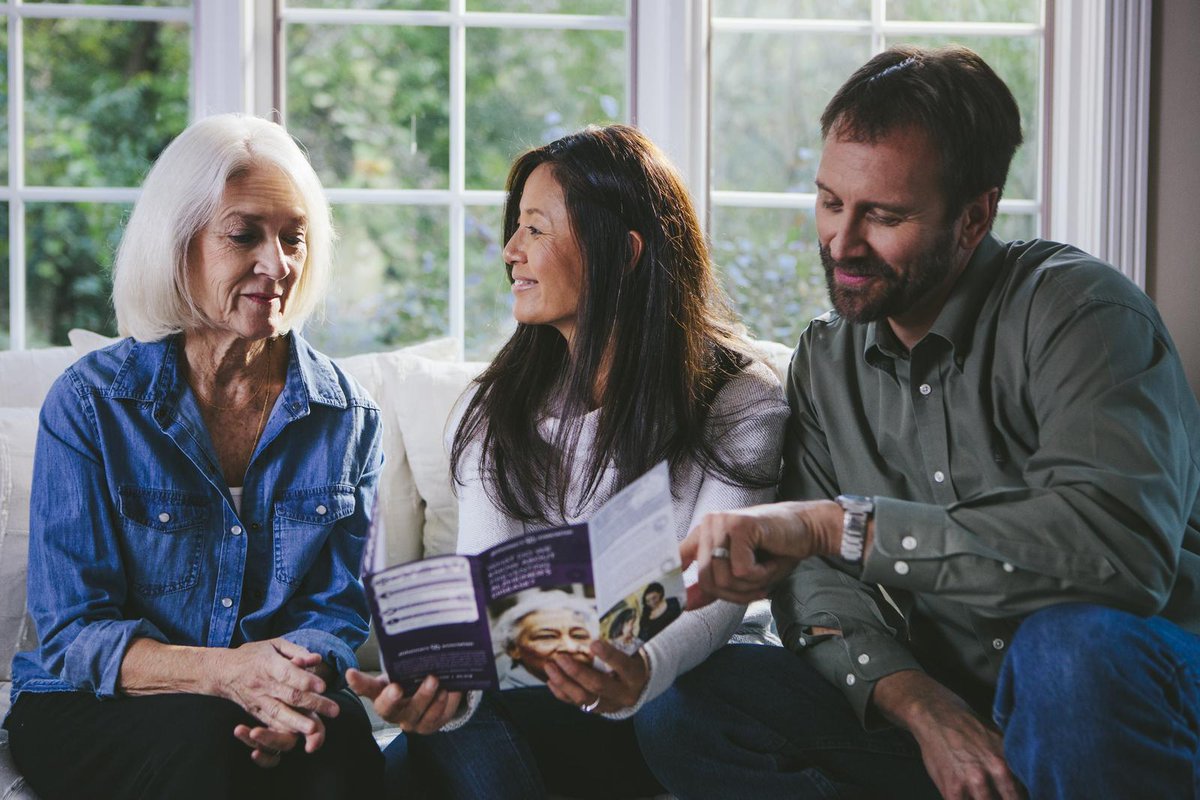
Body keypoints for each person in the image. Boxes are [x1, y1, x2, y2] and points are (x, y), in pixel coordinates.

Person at [642, 45, 1200, 800]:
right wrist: (921, 704)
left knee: (1068, 650)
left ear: (975, 218)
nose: (840, 243)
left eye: (884, 216)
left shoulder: (1084, 314)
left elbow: (1117, 556)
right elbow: (816, 582)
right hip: (961, 710)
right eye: (831, 201)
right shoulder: (826, 359)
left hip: (1126, 693)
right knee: (700, 699)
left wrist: (838, 525)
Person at [347, 123, 789, 799]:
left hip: (676, 700)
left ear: (625, 251)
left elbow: (719, 594)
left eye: (535, 229)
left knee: (427, 764)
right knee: (425, 748)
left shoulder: (738, 400)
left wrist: (639, 670)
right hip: (547, 704)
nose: (510, 252)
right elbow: (485, 602)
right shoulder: (498, 409)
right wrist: (446, 695)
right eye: (515, 229)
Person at [2, 114, 385, 799]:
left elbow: (334, 613)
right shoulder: (90, 405)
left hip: (264, 695)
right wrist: (226, 674)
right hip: (95, 697)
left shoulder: (348, 416)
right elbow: (73, 635)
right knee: (213, 747)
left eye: (293, 237)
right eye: (244, 235)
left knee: (343, 746)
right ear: (178, 246)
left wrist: (287, 693)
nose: (279, 263)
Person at [494, 589, 598, 689]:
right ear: (513, 649)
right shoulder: (499, 701)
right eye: (547, 637)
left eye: (579, 636)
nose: (570, 648)